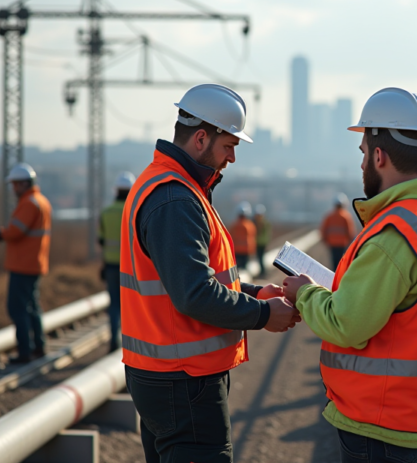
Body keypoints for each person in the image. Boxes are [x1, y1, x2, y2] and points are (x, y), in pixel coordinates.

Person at [120, 84, 300, 463]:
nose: (232, 158)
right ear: (201, 138)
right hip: (183, 380)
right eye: (228, 146)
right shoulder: (175, 198)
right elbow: (194, 293)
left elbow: (196, 280)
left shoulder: (170, 186)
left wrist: (252, 294)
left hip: (166, 376)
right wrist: (264, 315)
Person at [283, 87, 417, 463]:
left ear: (379, 156)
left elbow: (346, 324)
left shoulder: (393, 235)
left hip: (382, 422)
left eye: (363, 153)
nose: (362, 162)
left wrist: (305, 293)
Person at [0, 163, 52, 364]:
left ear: (24, 183)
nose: (13, 189)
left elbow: (16, 231)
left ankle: (25, 351)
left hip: (23, 264)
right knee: (32, 307)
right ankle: (38, 347)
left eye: (15, 185)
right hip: (34, 263)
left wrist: (0, 234)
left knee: (17, 308)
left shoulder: (29, 203)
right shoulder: (41, 201)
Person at [98, 171, 135, 352]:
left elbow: (101, 240)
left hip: (111, 265)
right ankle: (131, 343)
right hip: (132, 267)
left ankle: (113, 341)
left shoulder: (106, 212)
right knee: (132, 305)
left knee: (113, 305)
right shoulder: (136, 211)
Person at [321, 193, 355, 269]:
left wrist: (325, 239)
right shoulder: (346, 216)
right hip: (343, 243)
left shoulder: (329, 216)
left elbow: (323, 230)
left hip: (332, 243)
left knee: (334, 262)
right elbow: (350, 231)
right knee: (341, 263)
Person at [230, 201, 256, 270]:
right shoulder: (249, 225)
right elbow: (252, 237)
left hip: (236, 250)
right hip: (246, 250)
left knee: (237, 268)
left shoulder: (234, 225)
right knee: (244, 268)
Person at [254, 204, 272, 277]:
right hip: (261, 243)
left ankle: (263, 272)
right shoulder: (264, 222)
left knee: (260, 258)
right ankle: (262, 272)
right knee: (260, 258)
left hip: (260, 243)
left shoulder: (261, 223)